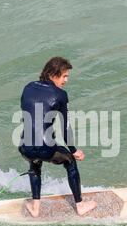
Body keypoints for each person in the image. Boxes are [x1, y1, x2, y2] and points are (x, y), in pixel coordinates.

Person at [18, 57, 97, 217]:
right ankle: (80, 206)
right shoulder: (60, 94)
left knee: (34, 164)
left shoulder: (28, 87)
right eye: (64, 76)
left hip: (24, 146)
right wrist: (74, 150)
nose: (66, 80)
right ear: (53, 74)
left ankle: (35, 208)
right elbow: (65, 126)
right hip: (45, 148)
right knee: (70, 161)